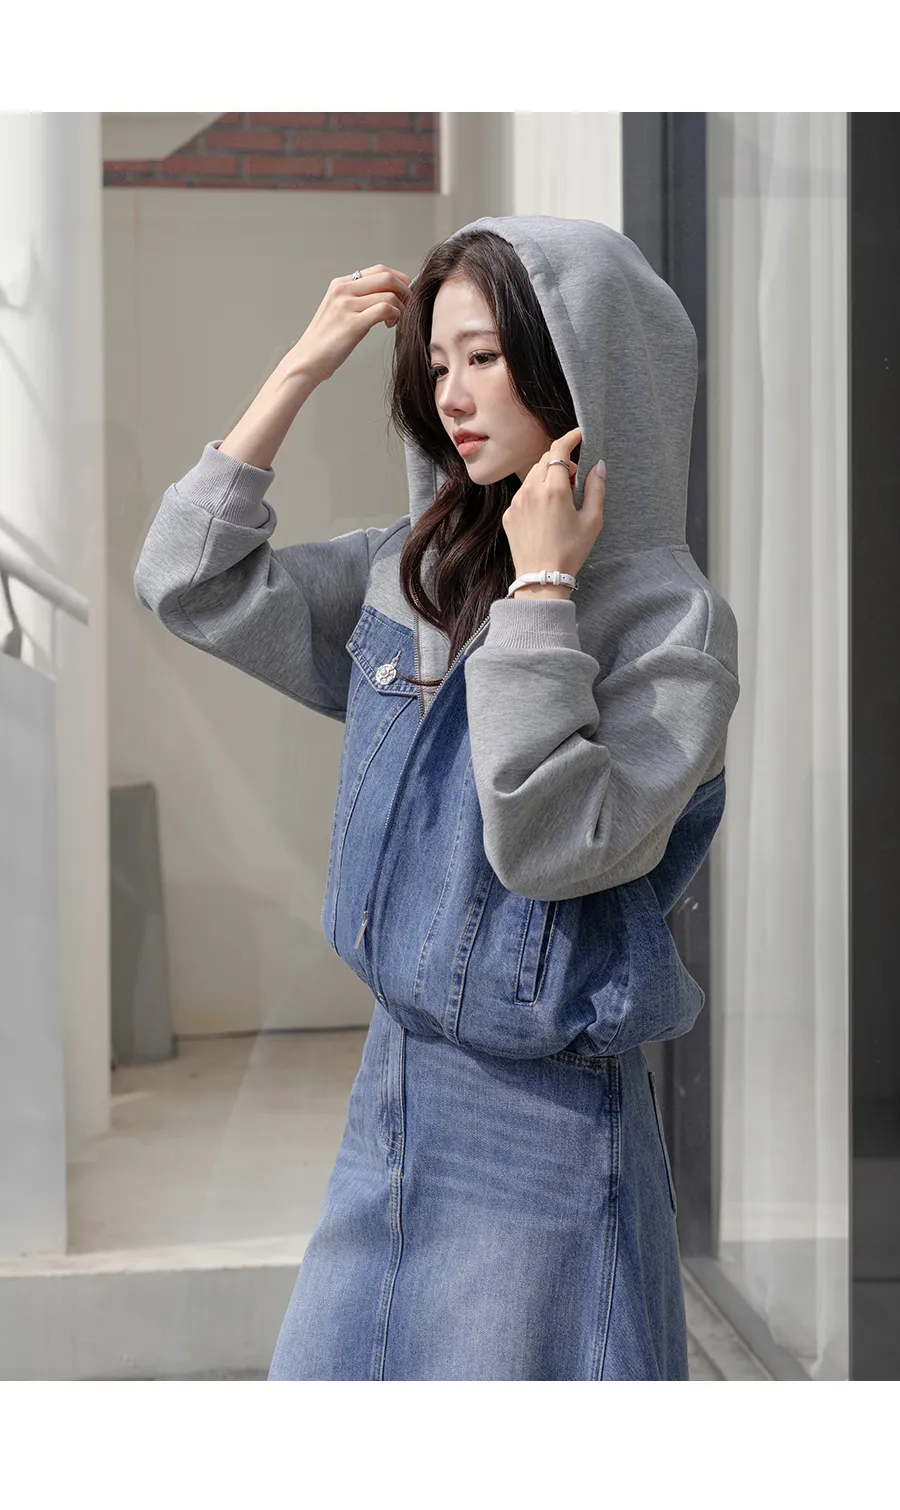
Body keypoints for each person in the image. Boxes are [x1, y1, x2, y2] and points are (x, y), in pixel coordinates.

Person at [133, 214, 740, 1380]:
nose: (451, 395)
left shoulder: (670, 629)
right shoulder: (417, 569)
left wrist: (545, 588)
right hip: (391, 1093)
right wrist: (300, 369)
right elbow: (188, 582)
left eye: (485, 357)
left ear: (576, 365)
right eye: (437, 362)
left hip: (544, 1140)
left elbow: (551, 844)